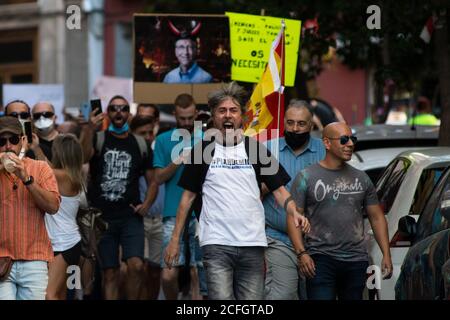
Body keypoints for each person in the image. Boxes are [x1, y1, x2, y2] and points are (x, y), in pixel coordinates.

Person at [164, 82, 310, 300]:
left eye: (233, 110)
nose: (228, 116)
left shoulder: (256, 149)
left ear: (243, 116)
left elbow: (280, 191)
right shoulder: (202, 151)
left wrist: (294, 212)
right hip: (216, 242)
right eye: (222, 111)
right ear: (213, 115)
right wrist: (174, 240)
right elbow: (187, 198)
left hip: (252, 243)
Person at [288, 122, 393, 300]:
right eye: (344, 140)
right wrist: (301, 253)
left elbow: (376, 218)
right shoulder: (306, 177)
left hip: (356, 260)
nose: (350, 144)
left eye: (353, 139)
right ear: (327, 143)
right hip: (320, 259)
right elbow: (293, 218)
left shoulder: (362, 178)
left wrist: (386, 254)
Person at [81, 95, 158, 300]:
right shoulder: (99, 138)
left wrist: (147, 204)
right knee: (110, 272)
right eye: (114, 108)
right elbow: (82, 156)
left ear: (128, 114)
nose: (119, 112)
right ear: (107, 113)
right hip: (103, 218)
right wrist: (90, 128)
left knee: (136, 266)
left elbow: (153, 181)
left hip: (131, 216)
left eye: (123, 108)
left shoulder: (140, 143)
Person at [263, 99, 326, 300]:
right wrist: (262, 186)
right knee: (283, 295)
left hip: (318, 242)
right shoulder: (266, 150)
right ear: (283, 122)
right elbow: (249, 193)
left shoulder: (325, 150)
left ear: (310, 125)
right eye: (290, 123)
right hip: (277, 238)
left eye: (301, 124)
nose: (295, 128)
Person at [0, 116, 61, 300]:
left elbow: (53, 207)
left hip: (34, 259)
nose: (8, 146)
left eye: (13, 140)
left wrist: (27, 179)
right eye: (1, 141)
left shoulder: (41, 168)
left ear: (23, 141)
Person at [153, 93, 203, 300]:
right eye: (182, 118)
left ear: (196, 114)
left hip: (201, 213)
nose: (187, 122)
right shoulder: (164, 139)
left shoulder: (207, 138)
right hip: (173, 212)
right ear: (174, 115)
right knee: (168, 273)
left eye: (191, 117)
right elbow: (157, 178)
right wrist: (178, 160)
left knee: (197, 272)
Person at [45, 134, 84, 300]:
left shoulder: (61, 176)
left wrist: (33, 148)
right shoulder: (73, 176)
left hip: (64, 243)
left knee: (49, 294)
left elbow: (41, 167)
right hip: (67, 242)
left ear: (60, 153)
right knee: (60, 294)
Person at [130, 115, 164, 300]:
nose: (148, 136)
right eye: (142, 133)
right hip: (138, 219)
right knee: (138, 269)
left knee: (155, 271)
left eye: (151, 132)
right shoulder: (130, 152)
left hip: (159, 218)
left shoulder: (160, 151)